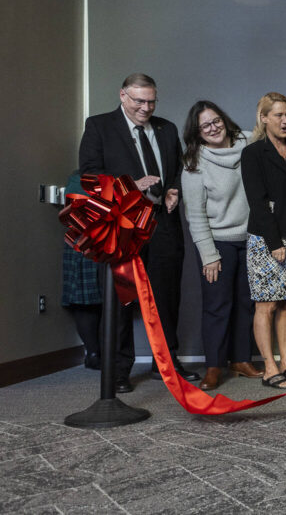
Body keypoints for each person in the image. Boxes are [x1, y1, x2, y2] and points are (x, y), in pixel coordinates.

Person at [78, 72, 198, 392]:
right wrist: (131, 186)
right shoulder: (99, 126)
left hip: (163, 224)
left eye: (151, 101)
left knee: (166, 297)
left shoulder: (167, 128)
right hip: (123, 225)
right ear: (122, 96)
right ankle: (117, 370)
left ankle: (167, 363)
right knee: (122, 299)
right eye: (139, 101)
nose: (146, 107)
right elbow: (89, 179)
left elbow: (176, 172)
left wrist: (173, 190)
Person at [181, 100, 259, 392]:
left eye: (216, 121)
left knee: (246, 304)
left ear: (224, 120)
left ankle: (241, 360)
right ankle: (214, 366)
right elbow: (196, 214)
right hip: (218, 244)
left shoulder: (250, 143)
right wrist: (208, 256)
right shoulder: (194, 163)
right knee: (217, 306)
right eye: (205, 126)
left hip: (252, 240)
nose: (213, 128)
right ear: (198, 132)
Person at [240, 93, 286, 390]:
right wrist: (274, 242)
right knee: (265, 305)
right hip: (266, 239)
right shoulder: (253, 153)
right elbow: (257, 201)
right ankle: (269, 366)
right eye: (278, 115)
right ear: (264, 118)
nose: (284, 120)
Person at [60, 171, 102, 370]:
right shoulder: (78, 178)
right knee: (85, 300)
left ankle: (105, 353)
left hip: (112, 237)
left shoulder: (124, 175)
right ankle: (93, 353)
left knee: (111, 300)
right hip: (84, 237)